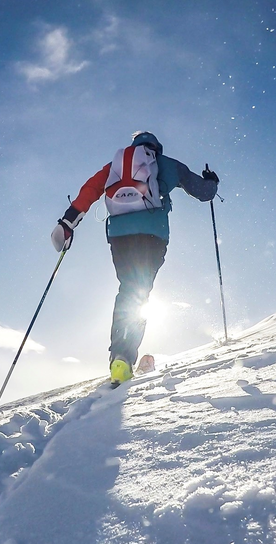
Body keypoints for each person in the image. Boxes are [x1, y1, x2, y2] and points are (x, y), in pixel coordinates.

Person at [51, 131, 219, 385]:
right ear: (156, 148)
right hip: (152, 236)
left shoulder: (114, 167)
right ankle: (124, 357)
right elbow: (203, 192)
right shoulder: (165, 164)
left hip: (119, 236)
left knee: (128, 288)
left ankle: (120, 355)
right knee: (139, 291)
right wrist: (212, 182)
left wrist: (67, 223)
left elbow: (90, 190)